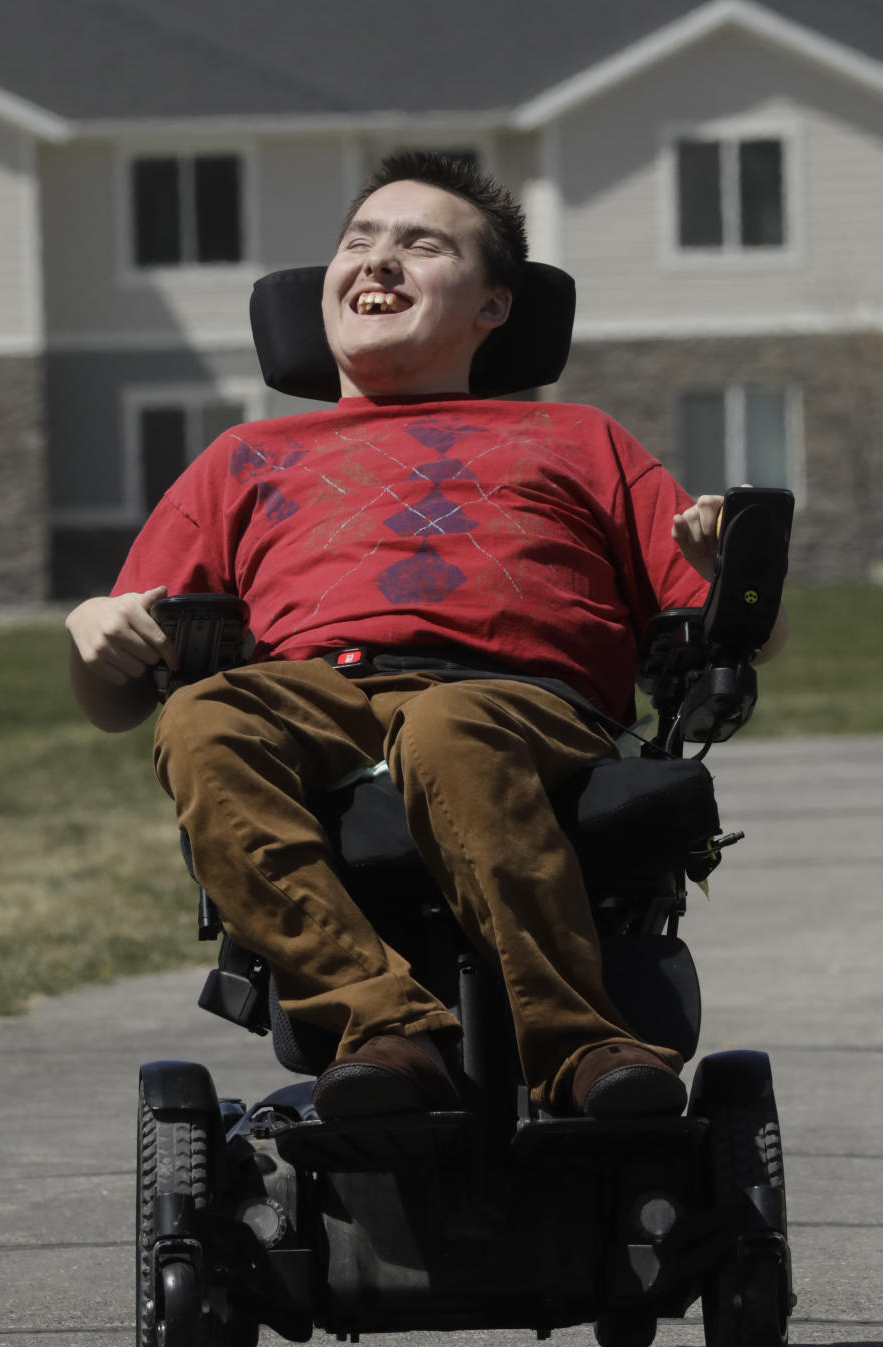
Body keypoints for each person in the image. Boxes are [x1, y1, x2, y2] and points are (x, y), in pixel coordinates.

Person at [66, 152, 787, 1122]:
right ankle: (384, 1027)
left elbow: (755, 636)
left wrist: (717, 568)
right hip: (317, 696)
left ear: (494, 305)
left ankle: (582, 1043)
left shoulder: (581, 440)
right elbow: (115, 702)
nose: (378, 261)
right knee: (202, 720)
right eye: (358, 242)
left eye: (421, 244)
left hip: (520, 699)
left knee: (452, 724)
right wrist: (95, 634)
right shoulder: (245, 457)